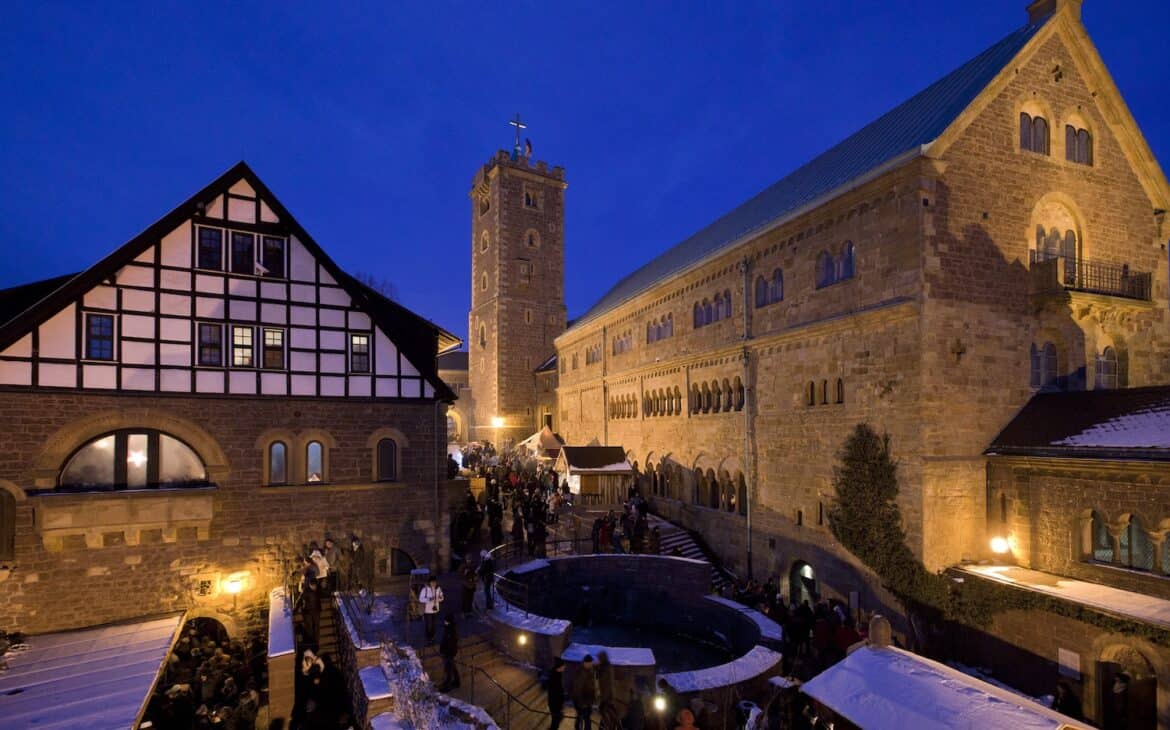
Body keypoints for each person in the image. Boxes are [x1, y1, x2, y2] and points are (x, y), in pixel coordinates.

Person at [572, 654, 598, 730]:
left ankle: (578, 727)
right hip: (582, 702)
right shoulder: (581, 673)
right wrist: (582, 703)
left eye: (591, 663)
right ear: (585, 663)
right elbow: (577, 689)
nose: (590, 665)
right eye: (589, 663)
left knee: (584, 718)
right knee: (584, 719)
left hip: (587, 701)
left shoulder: (590, 671)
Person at [438, 614, 460, 692]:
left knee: (449, 668)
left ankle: (448, 685)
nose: (444, 622)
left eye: (446, 621)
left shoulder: (451, 630)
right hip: (449, 651)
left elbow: (450, 642)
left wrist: (445, 651)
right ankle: (456, 682)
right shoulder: (449, 628)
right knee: (452, 667)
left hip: (449, 652)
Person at [419, 576, 444, 643]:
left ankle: (432, 637)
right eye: (432, 582)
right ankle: (428, 638)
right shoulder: (425, 589)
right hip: (428, 610)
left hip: (435, 609)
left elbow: (442, 597)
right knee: (428, 624)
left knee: (434, 624)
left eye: (434, 582)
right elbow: (421, 599)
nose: (433, 583)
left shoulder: (438, 588)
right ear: (429, 582)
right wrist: (429, 599)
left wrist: (439, 598)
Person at [547, 656, 566, 730]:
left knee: (555, 722)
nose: (565, 667)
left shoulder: (558, 674)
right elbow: (555, 692)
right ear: (559, 667)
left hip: (556, 703)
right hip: (554, 704)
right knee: (555, 722)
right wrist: (559, 704)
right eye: (563, 666)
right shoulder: (554, 677)